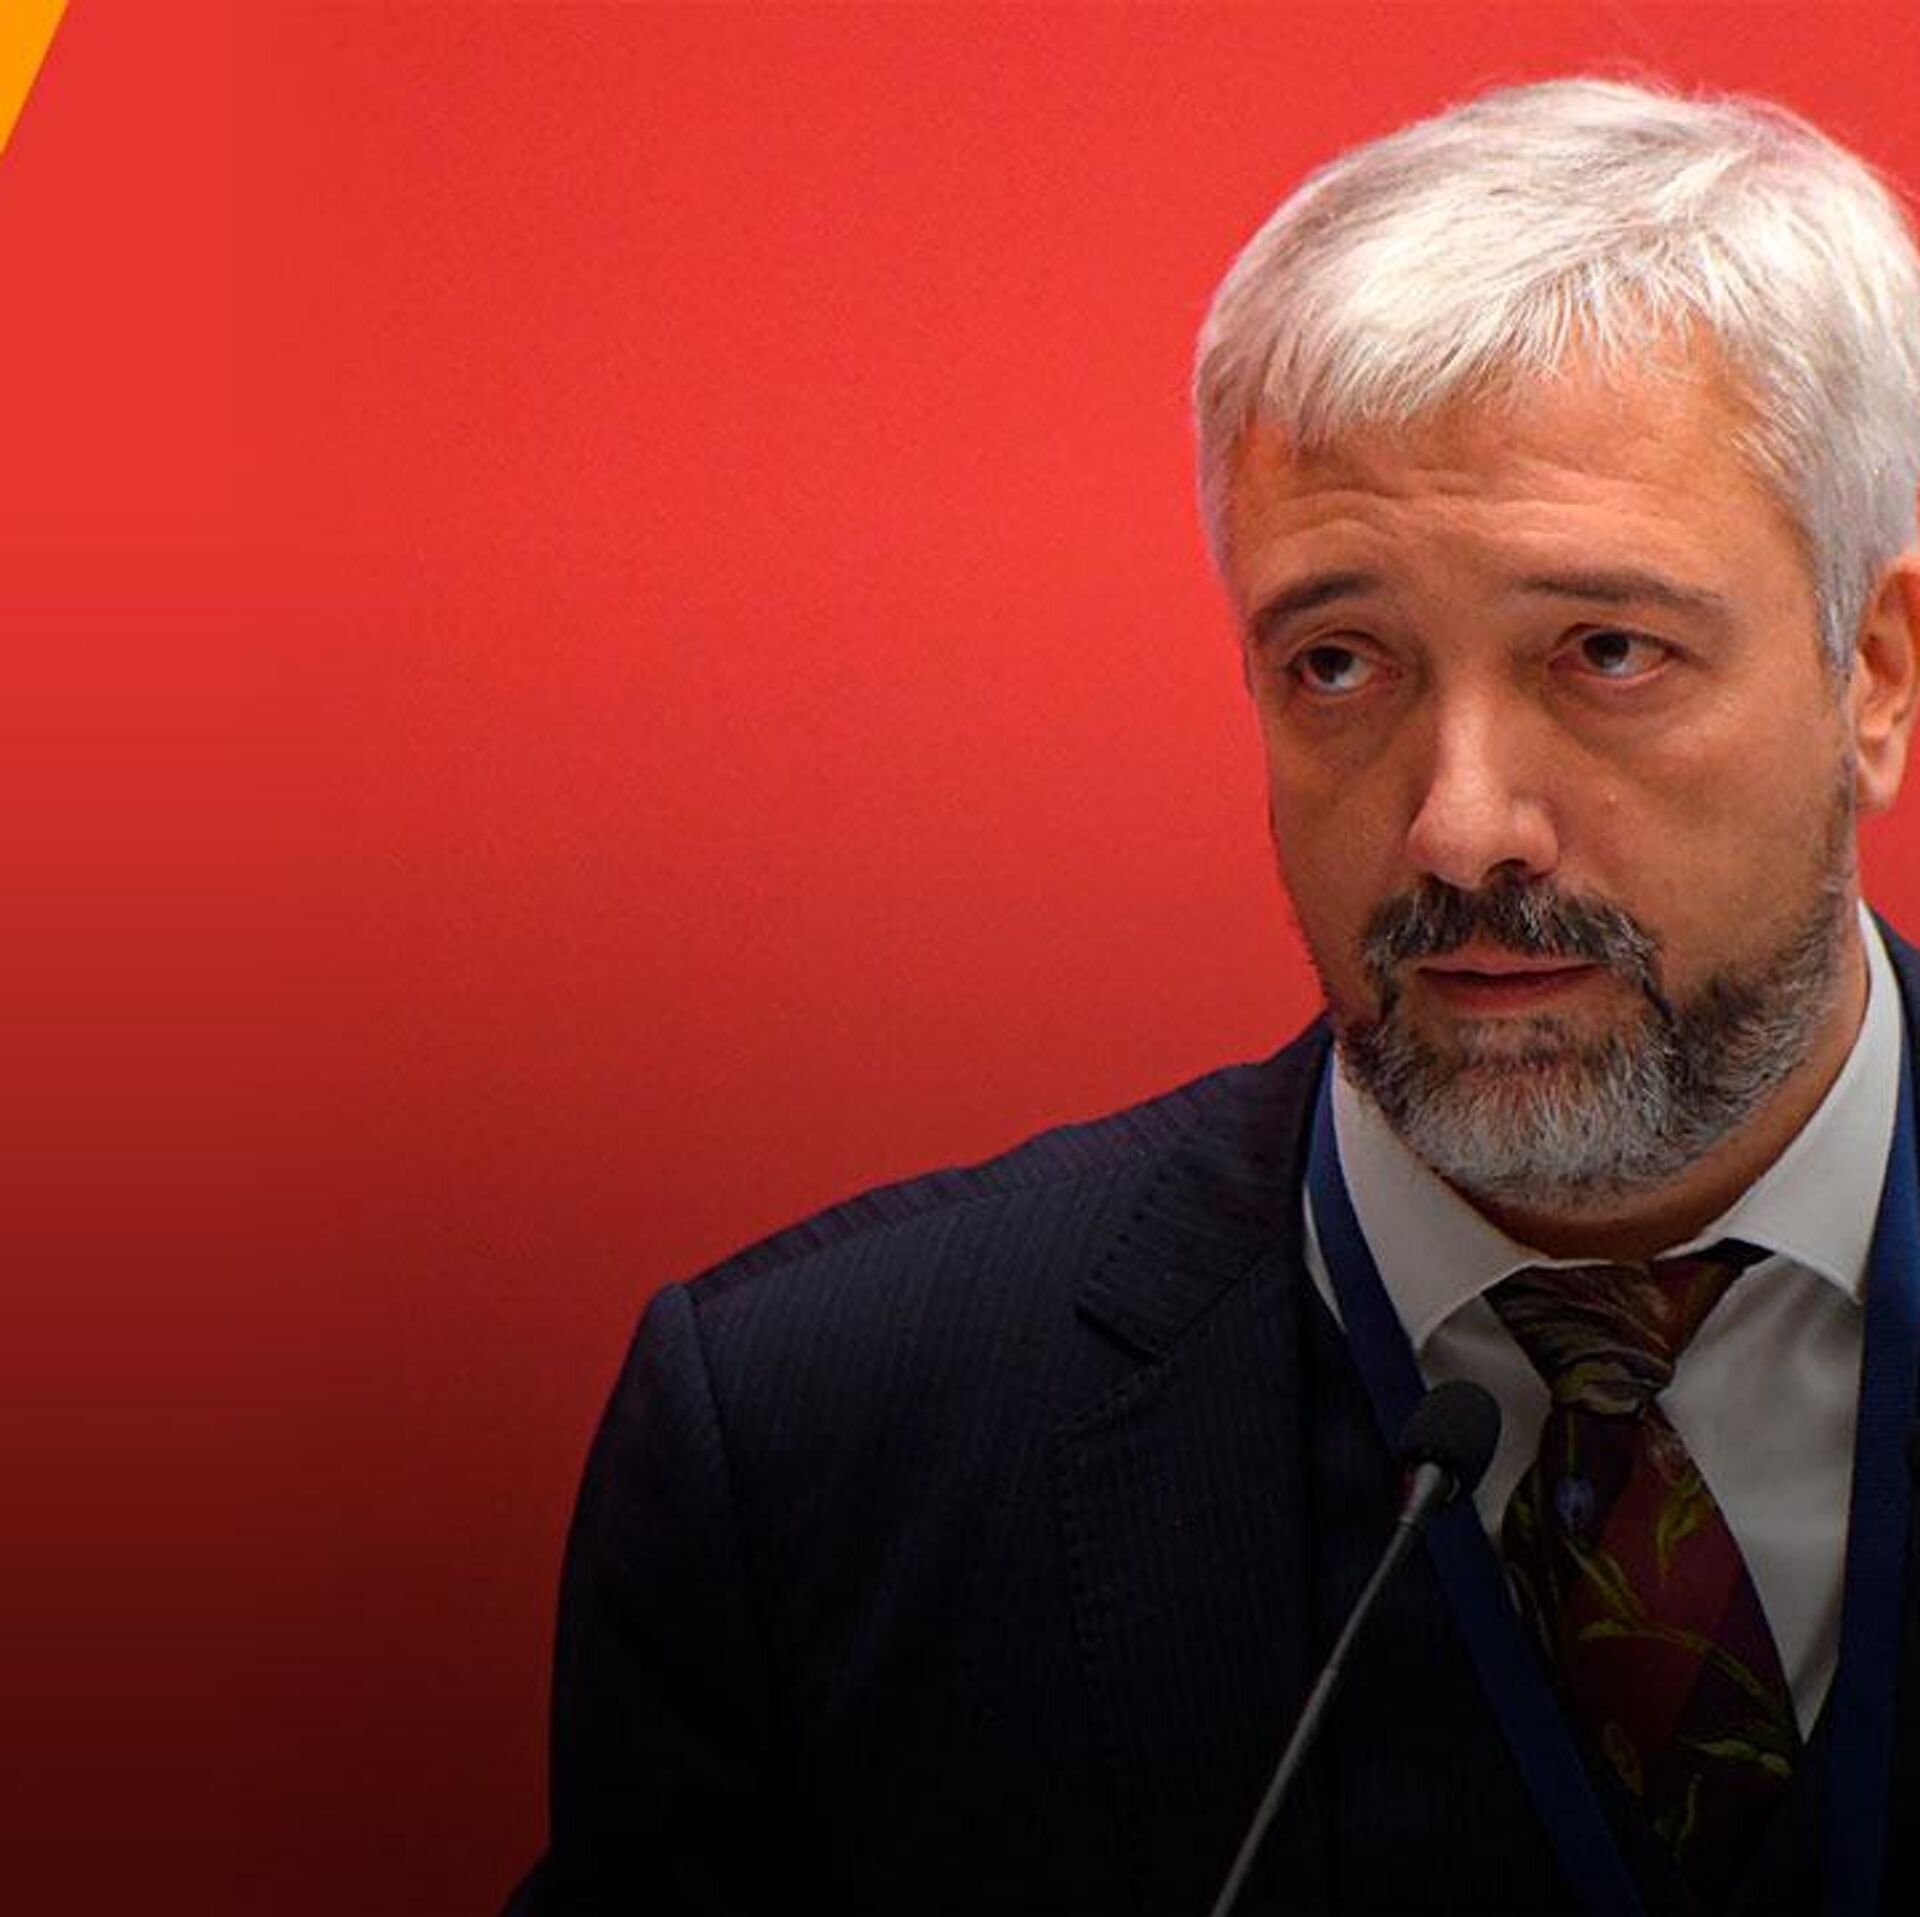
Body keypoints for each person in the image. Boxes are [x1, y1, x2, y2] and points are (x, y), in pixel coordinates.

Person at [506, 77, 1920, 1915]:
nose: (1459, 825)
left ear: (1875, 673)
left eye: (1606, 650)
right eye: (1339, 663)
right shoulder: (813, 1456)